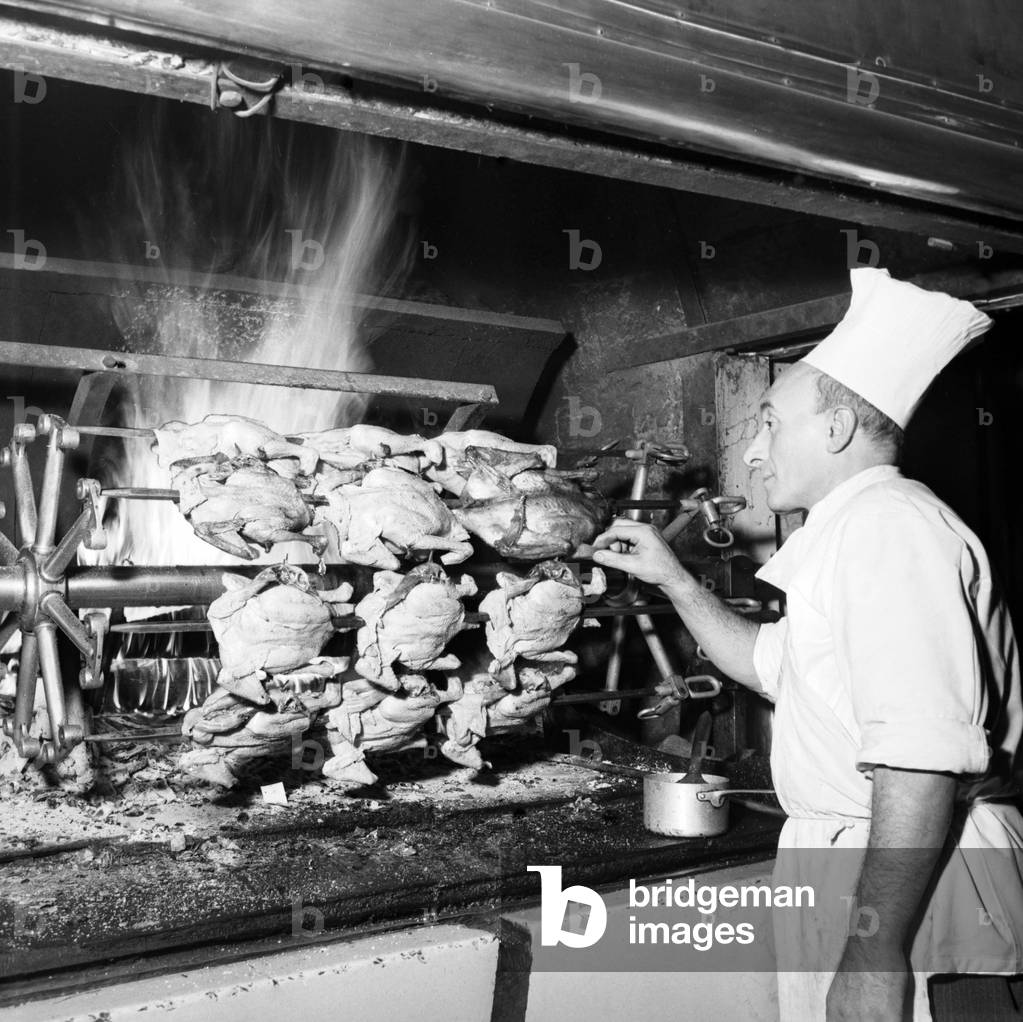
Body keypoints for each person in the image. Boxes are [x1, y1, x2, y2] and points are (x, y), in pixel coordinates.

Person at [592, 267, 1023, 1021]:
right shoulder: (855, 530)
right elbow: (770, 667)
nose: (752, 452)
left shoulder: (888, 530)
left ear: (836, 429)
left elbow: (918, 760)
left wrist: (872, 951)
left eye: (766, 423)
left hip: (924, 900)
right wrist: (673, 580)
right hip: (863, 873)